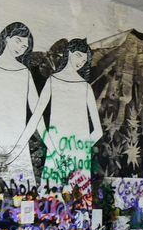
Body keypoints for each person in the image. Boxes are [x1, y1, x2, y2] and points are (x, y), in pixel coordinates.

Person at [18, 38, 102, 187]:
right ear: (68, 53)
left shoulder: (85, 87)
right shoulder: (53, 81)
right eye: (78, 56)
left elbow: (98, 131)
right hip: (56, 153)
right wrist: (53, 148)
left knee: (78, 205)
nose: (80, 62)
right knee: (51, 203)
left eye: (84, 60)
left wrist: (79, 150)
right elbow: (37, 119)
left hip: (77, 157)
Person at [0, 21, 42, 188]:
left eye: (25, 46)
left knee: (22, 193)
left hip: (19, 143)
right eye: (18, 40)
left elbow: (37, 110)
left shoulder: (25, 73)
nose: (21, 47)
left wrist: (23, 138)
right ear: (7, 37)